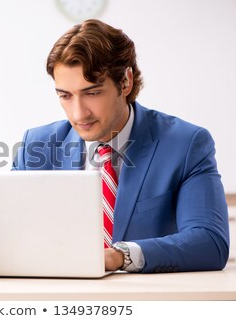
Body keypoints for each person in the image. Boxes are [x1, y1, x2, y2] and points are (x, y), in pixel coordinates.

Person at [13, 19, 229, 273]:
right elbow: (11, 236)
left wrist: (119, 256)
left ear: (125, 82)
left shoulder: (186, 144)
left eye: (92, 93)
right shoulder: (35, 147)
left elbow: (210, 242)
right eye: (65, 96)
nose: (78, 113)